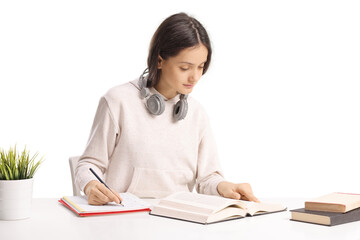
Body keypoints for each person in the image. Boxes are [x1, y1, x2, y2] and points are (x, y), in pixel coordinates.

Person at [75, 12, 259, 205]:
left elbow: (207, 180)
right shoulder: (118, 101)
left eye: (200, 67)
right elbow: (89, 165)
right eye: (185, 68)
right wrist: (90, 185)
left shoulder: (197, 114)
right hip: (123, 218)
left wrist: (224, 186)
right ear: (160, 60)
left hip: (178, 220)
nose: (194, 77)